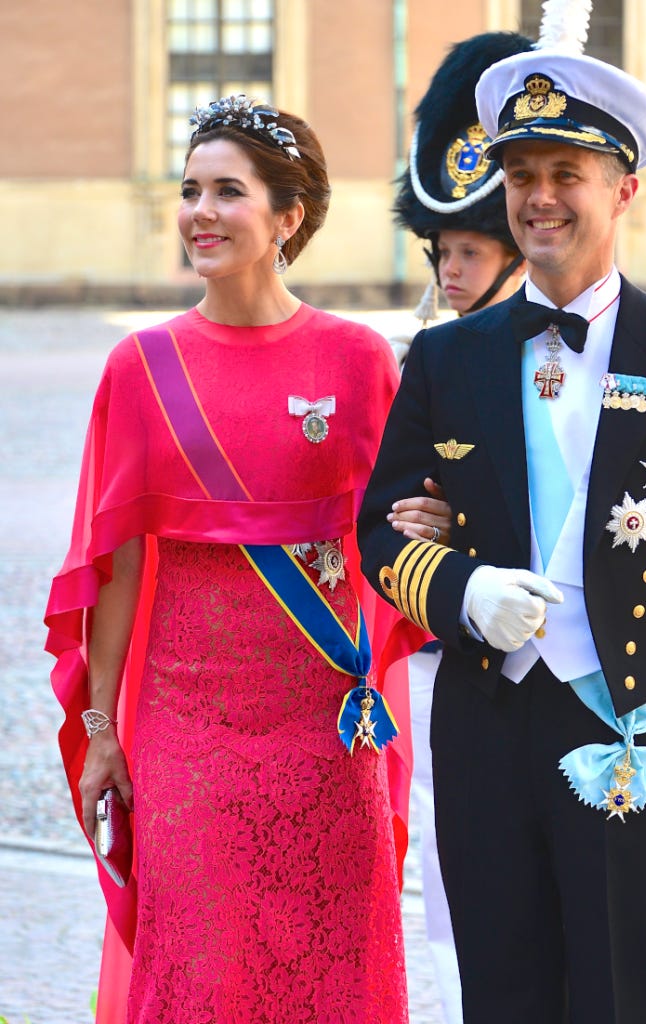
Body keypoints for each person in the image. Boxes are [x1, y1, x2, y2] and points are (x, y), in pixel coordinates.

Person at [357, 43, 646, 1024]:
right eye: (522, 175)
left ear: (624, 189)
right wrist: (463, 589)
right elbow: (380, 534)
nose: (540, 198)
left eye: (567, 174)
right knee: (500, 997)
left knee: (619, 995)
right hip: (483, 721)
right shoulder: (446, 357)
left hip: (625, 721)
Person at [44, 95, 446, 1023]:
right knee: (202, 978)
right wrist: (102, 729)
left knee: (333, 980)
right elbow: (116, 571)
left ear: (287, 217)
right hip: (190, 736)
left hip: (330, 732)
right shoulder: (141, 366)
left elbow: (394, 540)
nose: (201, 212)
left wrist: (431, 526)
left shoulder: (357, 361)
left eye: (228, 191)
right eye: (191, 190)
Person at [385, 30, 531, 1024]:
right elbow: (391, 511)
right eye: (441, 251)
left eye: (469, 250)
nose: (450, 269)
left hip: (568, 654)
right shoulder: (428, 359)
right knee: (457, 874)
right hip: (450, 648)